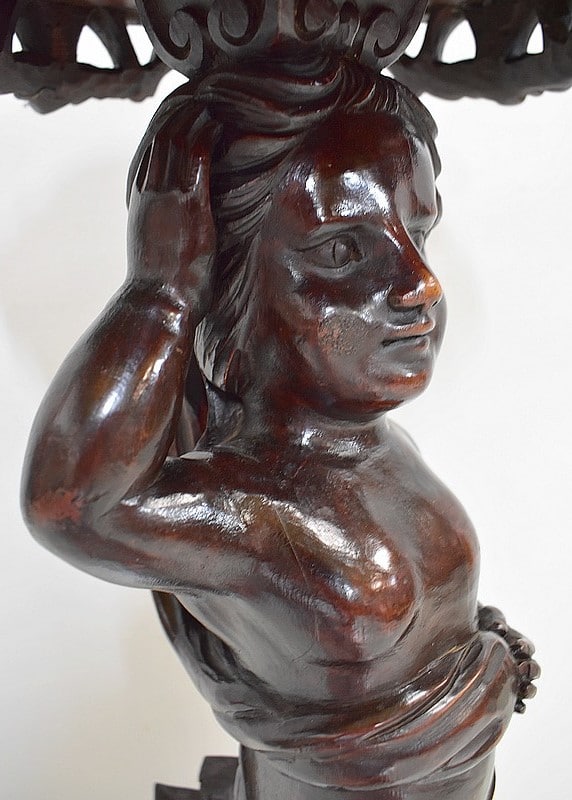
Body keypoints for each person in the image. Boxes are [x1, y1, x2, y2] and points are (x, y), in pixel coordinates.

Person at [22, 55, 537, 800]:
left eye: (419, 232)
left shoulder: (376, 445)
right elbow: (73, 508)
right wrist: (161, 291)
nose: (421, 283)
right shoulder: (249, 508)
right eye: (342, 251)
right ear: (227, 282)